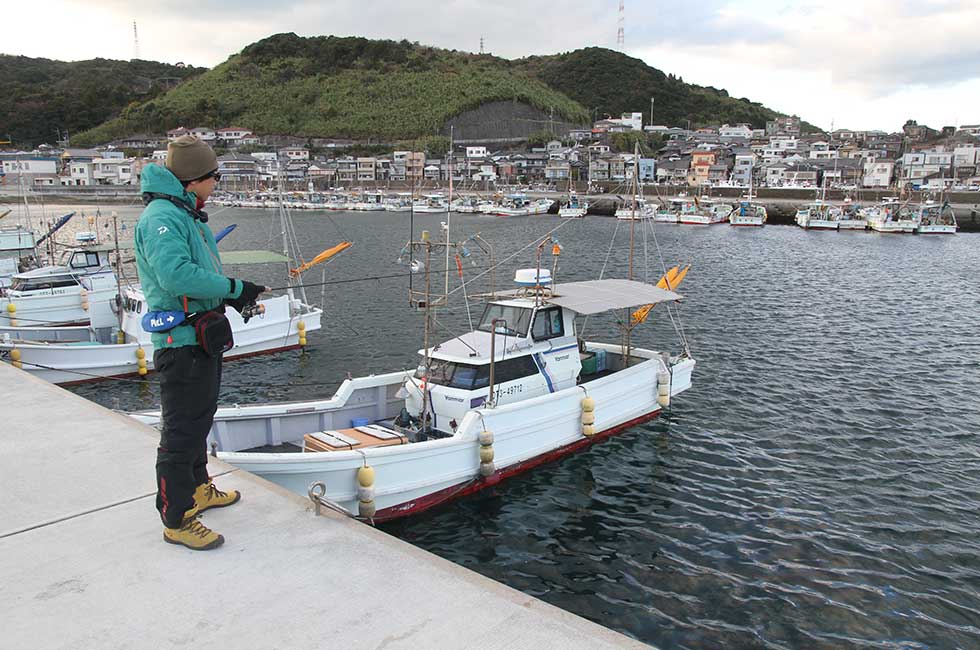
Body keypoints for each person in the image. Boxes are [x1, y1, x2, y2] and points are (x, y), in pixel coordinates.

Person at [135, 135, 266, 550]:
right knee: (181, 432)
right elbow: (176, 275)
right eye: (215, 177)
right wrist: (234, 286)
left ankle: (198, 488)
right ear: (194, 180)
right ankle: (176, 517)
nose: (217, 184)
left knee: (200, 419)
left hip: (201, 337)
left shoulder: (184, 213)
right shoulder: (162, 218)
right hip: (181, 343)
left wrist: (235, 298)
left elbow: (196, 277)